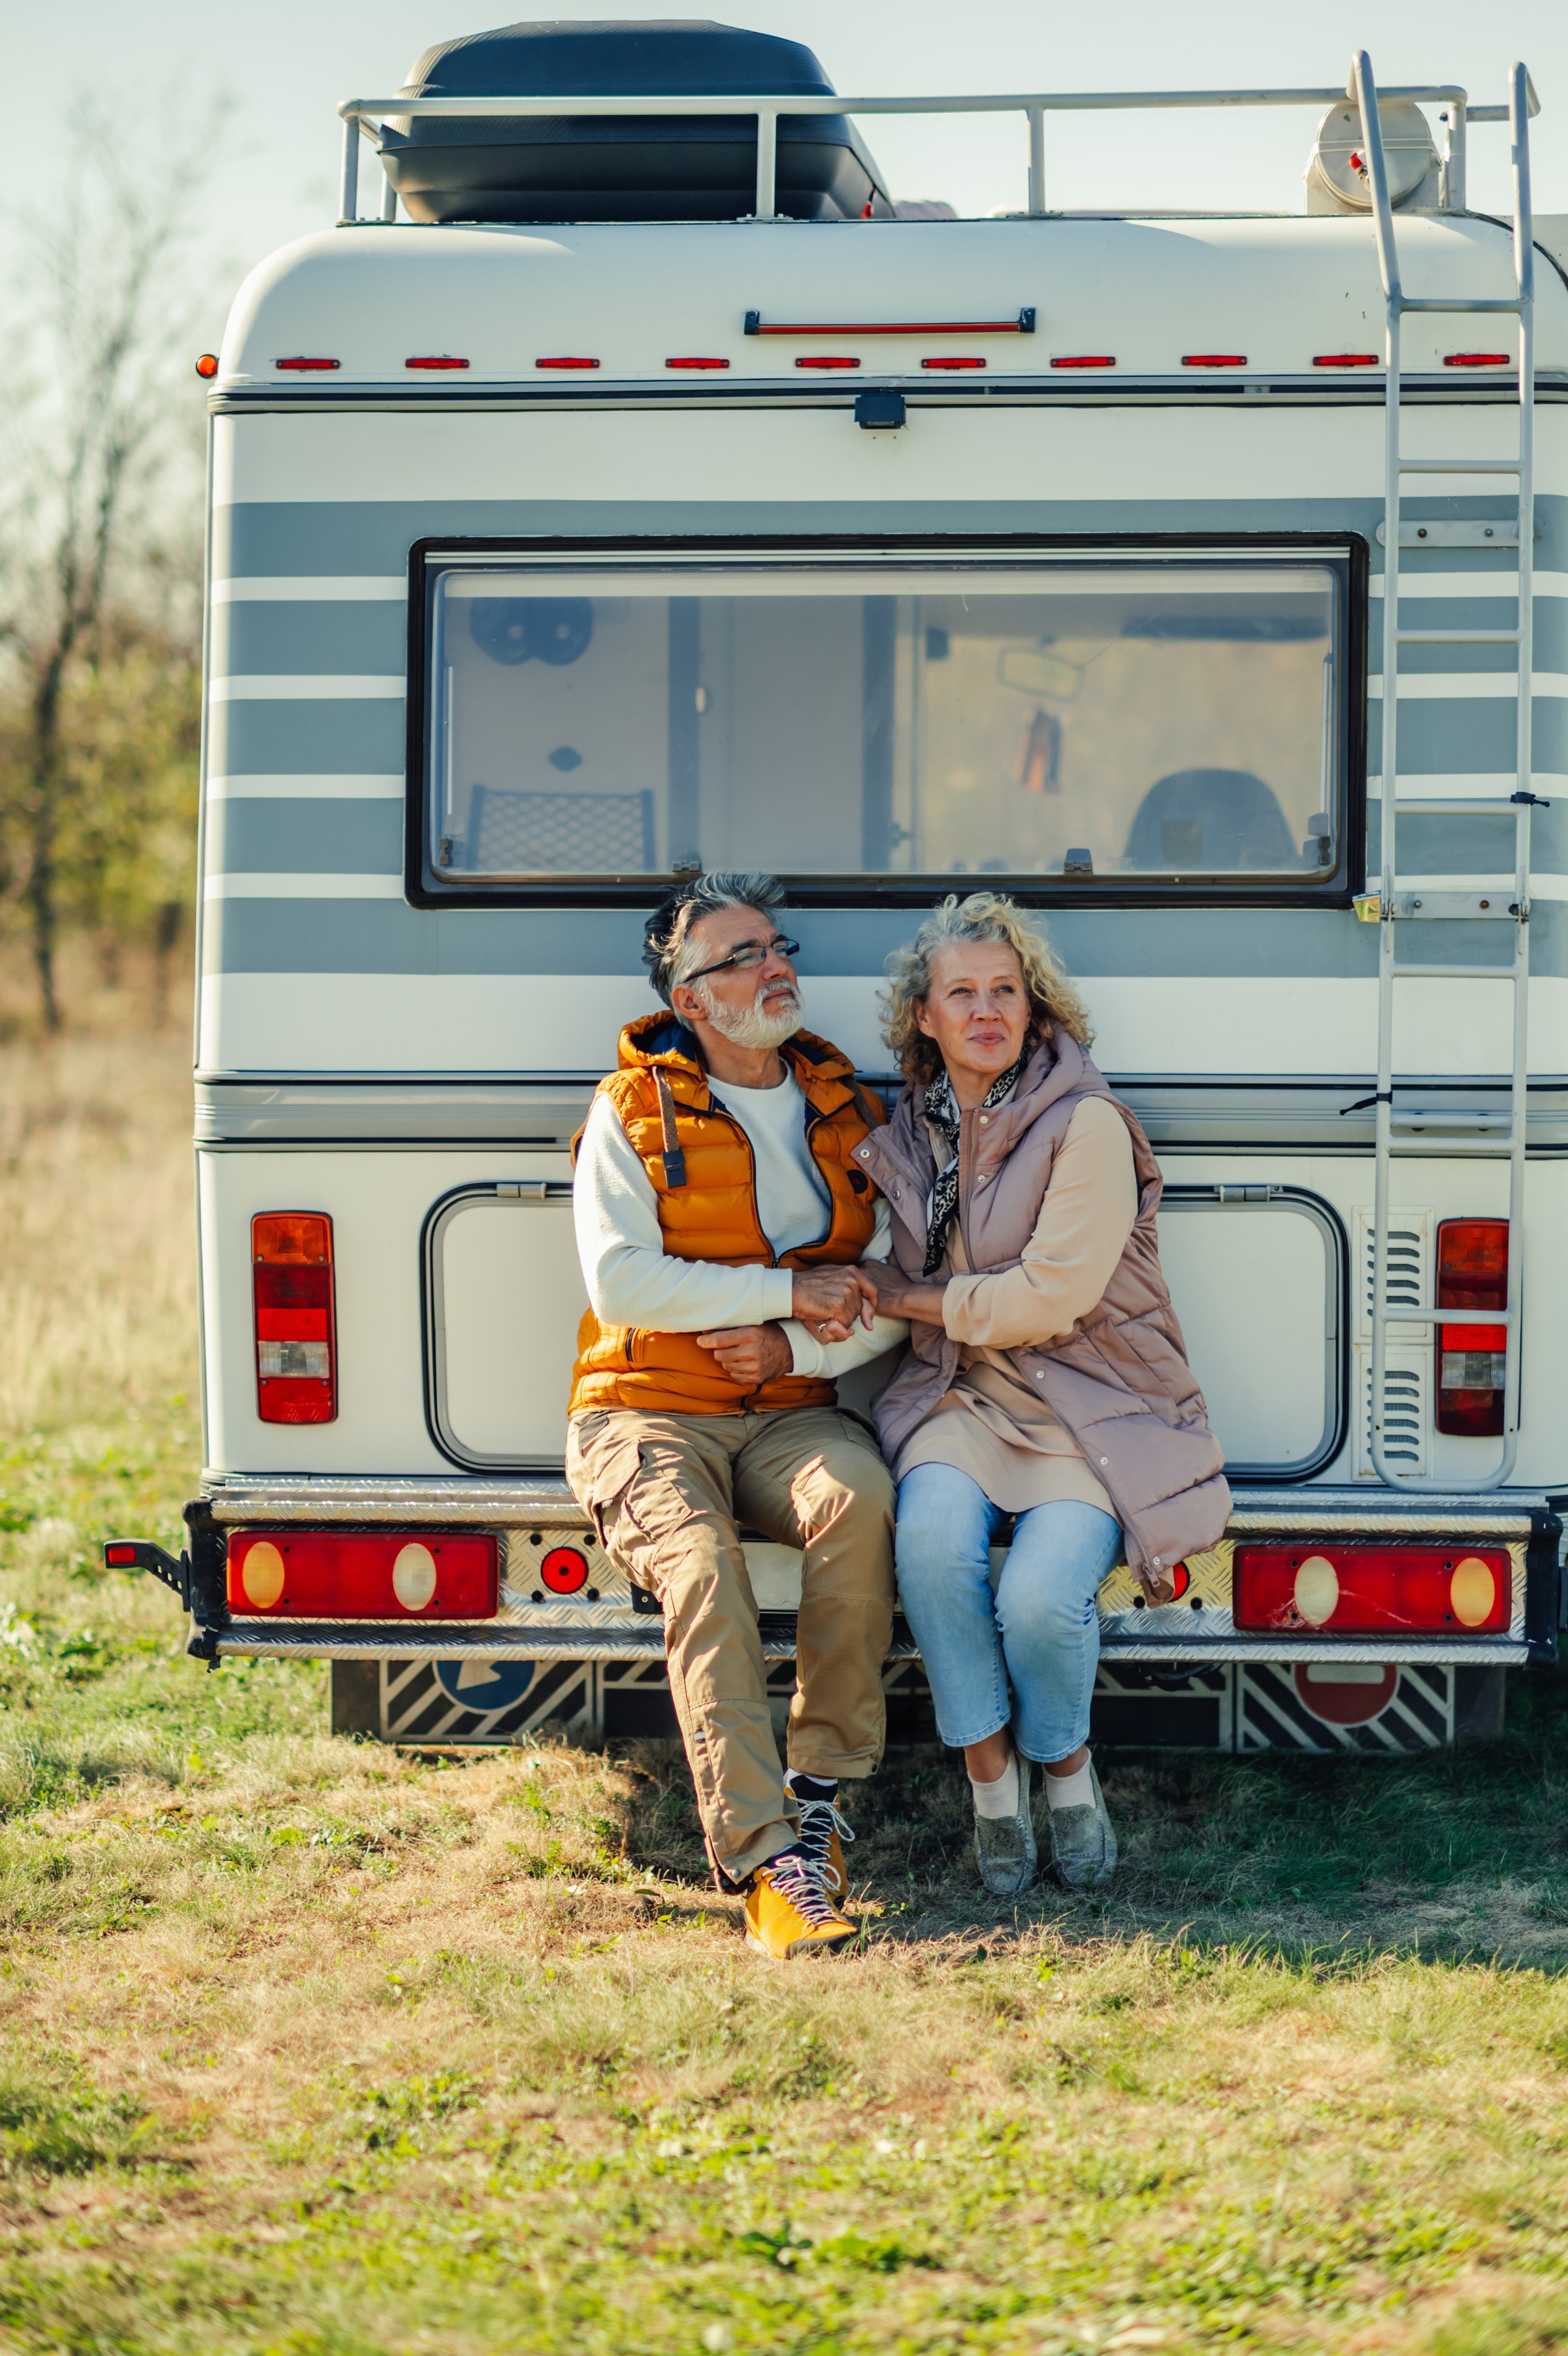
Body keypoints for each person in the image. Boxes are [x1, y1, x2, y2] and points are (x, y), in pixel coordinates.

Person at [855, 892, 1230, 1897]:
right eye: (961, 993)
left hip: (1087, 1415)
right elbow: (875, 1280)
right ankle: (990, 1782)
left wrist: (911, 1296)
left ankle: (1065, 1769)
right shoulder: (912, 1130)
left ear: (1037, 1007)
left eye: (1006, 991)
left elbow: (1050, 1296)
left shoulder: (1087, 1123)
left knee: (1037, 1600)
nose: (987, 1010)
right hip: (960, 1403)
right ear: (924, 1017)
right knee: (930, 1550)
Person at [566, 872, 909, 1959]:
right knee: (701, 1564)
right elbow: (623, 1283)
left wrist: (795, 1343)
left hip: (789, 1405)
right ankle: (768, 1862)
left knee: (859, 1500)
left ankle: (818, 1797)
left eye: (777, 945)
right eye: (742, 956)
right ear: (692, 998)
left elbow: (895, 1282)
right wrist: (783, 1291)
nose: (777, 967)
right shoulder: (628, 1109)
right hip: (645, 1409)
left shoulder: (849, 1105)